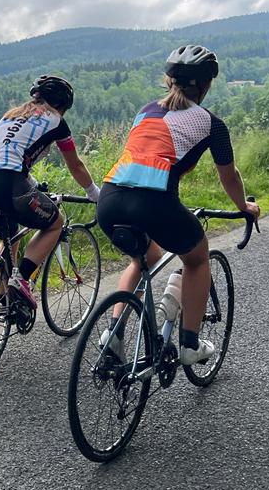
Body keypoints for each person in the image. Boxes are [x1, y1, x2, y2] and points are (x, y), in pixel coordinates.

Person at [97, 45, 260, 365]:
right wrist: (244, 206)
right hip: (155, 204)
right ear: (206, 86)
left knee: (144, 257)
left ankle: (113, 334)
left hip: (110, 199)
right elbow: (230, 177)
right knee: (197, 258)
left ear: (168, 81)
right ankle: (189, 344)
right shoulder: (212, 124)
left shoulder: (144, 110)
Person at [0, 75, 101, 308]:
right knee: (56, 222)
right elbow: (75, 164)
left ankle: (4, 298)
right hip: (9, 184)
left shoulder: (10, 115)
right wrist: (94, 193)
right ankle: (22, 279)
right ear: (61, 105)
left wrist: (32, 183)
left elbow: (9, 154)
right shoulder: (56, 120)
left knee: (9, 236)